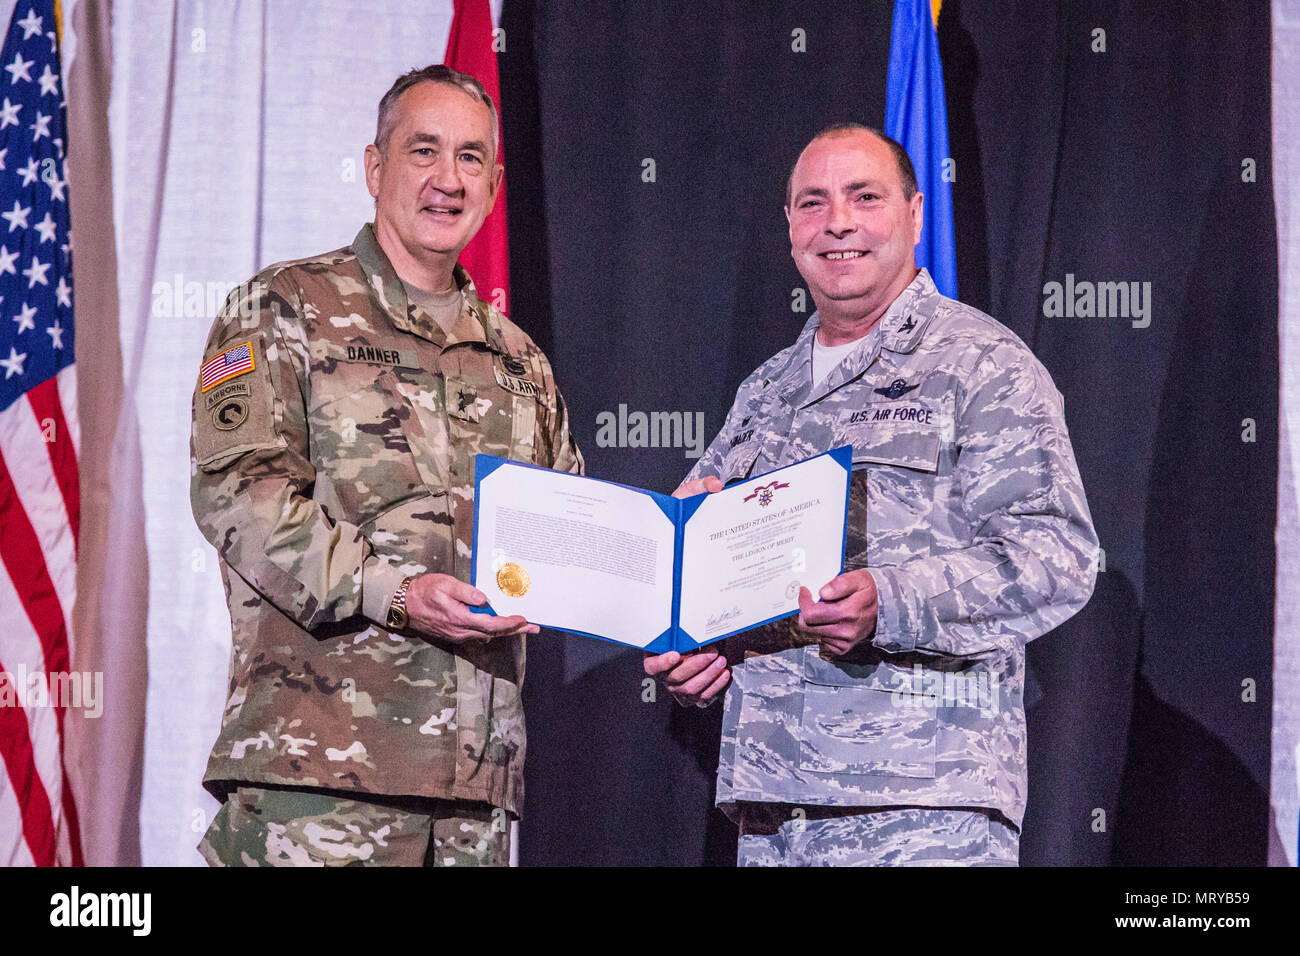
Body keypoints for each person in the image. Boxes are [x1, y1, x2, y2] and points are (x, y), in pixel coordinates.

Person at [644, 124, 1097, 866]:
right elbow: (705, 584)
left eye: (865, 197)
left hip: (923, 807)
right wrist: (687, 647)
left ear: (915, 215)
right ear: (790, 228)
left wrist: (890, 600)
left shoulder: (983, 365)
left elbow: (1059, 555)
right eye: (813, 203)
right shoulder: (765, 393)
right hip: (773, 813)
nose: (840, 222)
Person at [190, 65, 582, 866]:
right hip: (319, 780)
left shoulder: (521, 362)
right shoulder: (281, 307)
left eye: (471, 158)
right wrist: (396, 592)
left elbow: (570, 531)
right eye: (424, 151)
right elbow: (239, 494)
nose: (448, 179)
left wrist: (684, 552)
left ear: (496, 181)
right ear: (376, 168)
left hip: (474, 799)